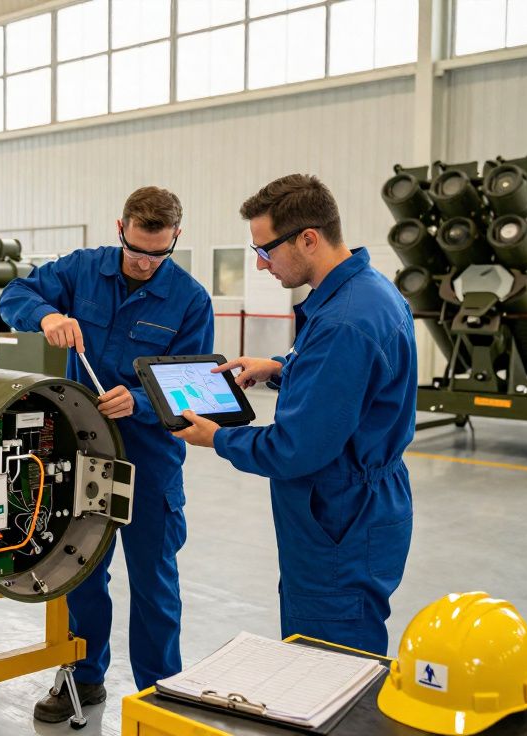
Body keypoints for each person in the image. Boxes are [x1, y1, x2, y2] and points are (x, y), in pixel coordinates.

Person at [173, 174, 415, 656]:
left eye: (266, 250)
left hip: (338, 517)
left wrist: (217, 439)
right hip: (361, 504)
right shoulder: (366, 293)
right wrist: (282, 368)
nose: (262, 265)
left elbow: (295, 449)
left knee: (332, 661)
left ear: (308, 238)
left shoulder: (343, 322)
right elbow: (355, 384)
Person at [0, 186, 214, 722]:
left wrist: (140, 400)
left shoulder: (190, 300)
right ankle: (84, 679)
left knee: (153, 581)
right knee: (81, 572)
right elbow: (13, 295)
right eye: (136, 249)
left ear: (176, 240)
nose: (144, 263)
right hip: (82, 449)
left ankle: (160, 695)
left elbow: (194, 391)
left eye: (157, 254)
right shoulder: (82, 270)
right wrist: (45, 315)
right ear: (120, 228)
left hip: (149, 459)